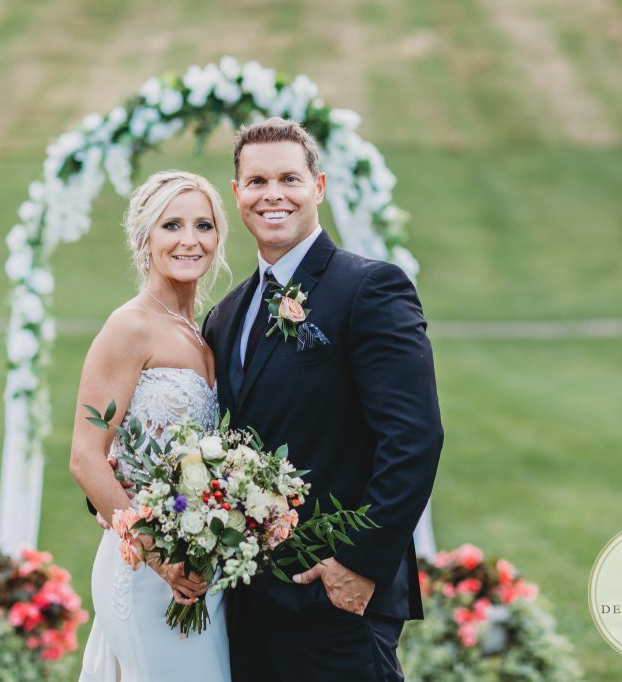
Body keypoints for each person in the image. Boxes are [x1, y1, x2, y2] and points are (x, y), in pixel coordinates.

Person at [202, 117, 444, 681]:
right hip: (246, 605)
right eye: (257, 182)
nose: (273, 195)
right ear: (238, 195)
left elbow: (413, 439)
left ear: (319, 187)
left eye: (289, 178)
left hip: (336, 597)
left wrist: (359, 563)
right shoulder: (225, 314)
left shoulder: (370, 288)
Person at [70, 170, 233, 682]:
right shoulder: (130, 326)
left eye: (203, 225)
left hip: (202, 565)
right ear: (145, 239)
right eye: (172, 226)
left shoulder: (203, 333)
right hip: (146, 569)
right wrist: (159, 553)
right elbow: (86, 456)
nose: (190, 239)